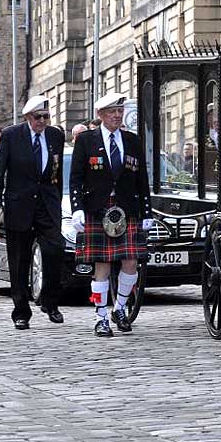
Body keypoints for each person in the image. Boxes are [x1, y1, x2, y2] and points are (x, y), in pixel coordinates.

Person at [70, 93, 153, 337]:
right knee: (102, 265)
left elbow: (142, 179)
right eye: (111, 112)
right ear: (100, 115)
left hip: (127, 209)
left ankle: (120, 308)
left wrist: (146, 210)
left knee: (131, 262)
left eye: (119, 111)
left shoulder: (132, 140)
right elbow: (75, 178)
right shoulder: (86, 140)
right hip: (98, 208)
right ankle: (101, 317)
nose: (117, 115)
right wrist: (77, 209)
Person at [0, 96, 66, 329]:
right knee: (19, 260)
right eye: (37, 117)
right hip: (19, 205)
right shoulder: (12, 136)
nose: (42, 121)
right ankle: (21, 311)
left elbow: (56, 171)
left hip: (47, 205)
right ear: (27, 118)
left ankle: (50, 302)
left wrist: (57, 200)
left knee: (55, 250)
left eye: (46, 116)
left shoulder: (55, 136)